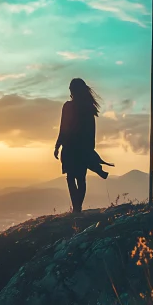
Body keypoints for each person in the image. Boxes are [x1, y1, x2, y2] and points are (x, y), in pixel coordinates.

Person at [54, 78, 103, 213]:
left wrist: (58, 145)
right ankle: (77, 207)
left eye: (71, 88)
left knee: (71, 177)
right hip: (81, 149)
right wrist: (90, 150)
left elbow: (63, 127)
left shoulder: (69, 106)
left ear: (74, 90)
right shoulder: (88, 108)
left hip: (70, 148)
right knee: (80, 178)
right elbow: (91, 131)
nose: (69, 90)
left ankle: (76, 207)